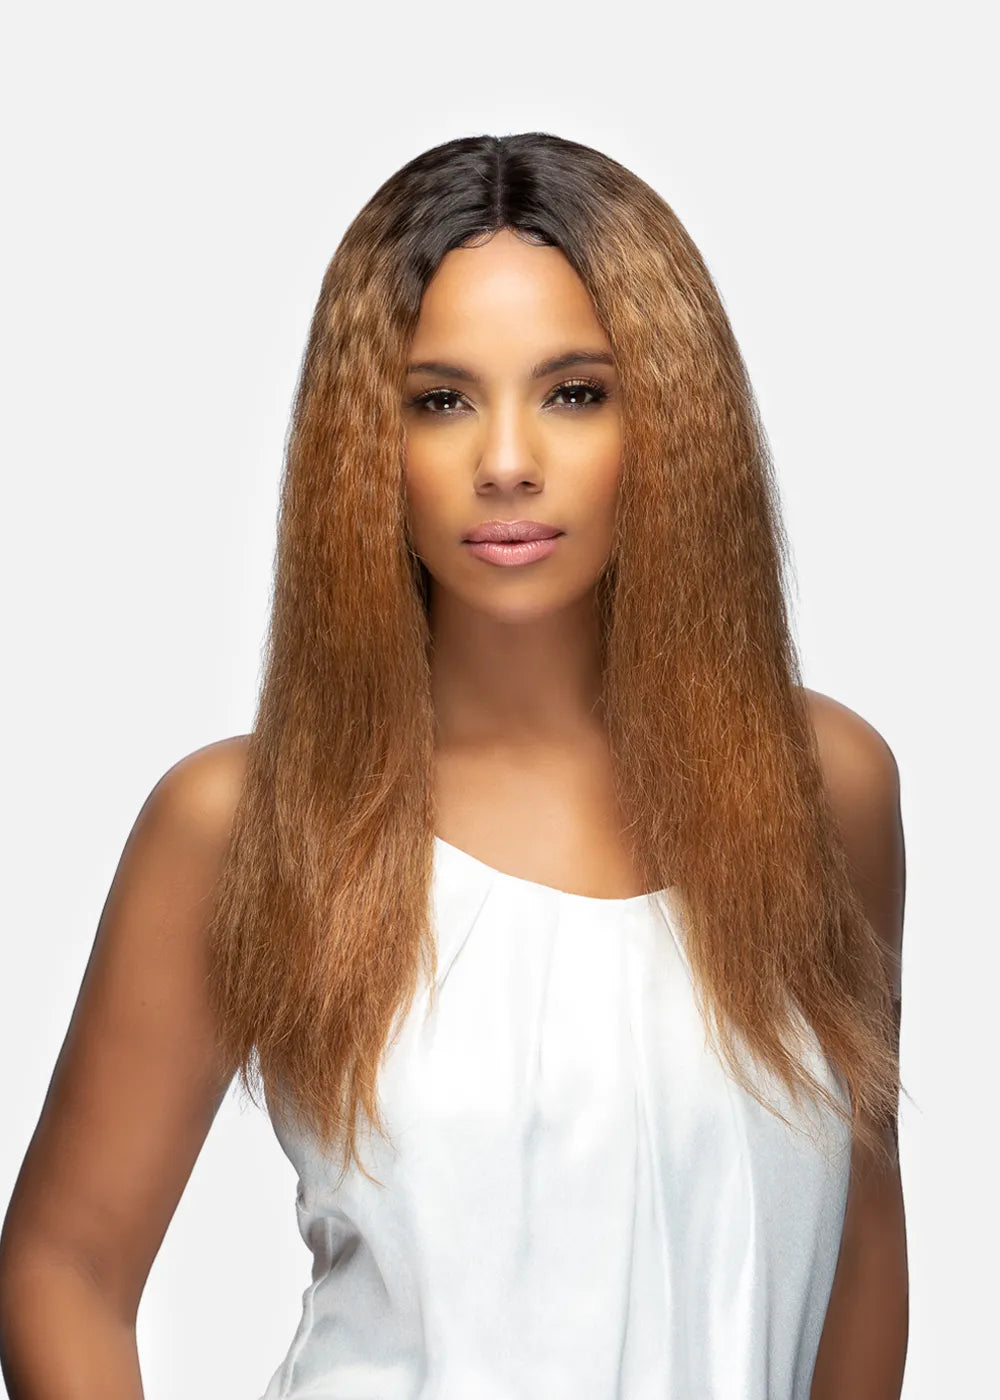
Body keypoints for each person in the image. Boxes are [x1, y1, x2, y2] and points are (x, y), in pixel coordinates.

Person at [0, 132, 908, 1398]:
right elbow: (66, 1266)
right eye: (439, 399)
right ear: (367, 440)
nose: (505, 459)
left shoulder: (823, 791)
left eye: (574, 391)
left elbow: (859, 1238)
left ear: (670, 414)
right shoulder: (243, 821)